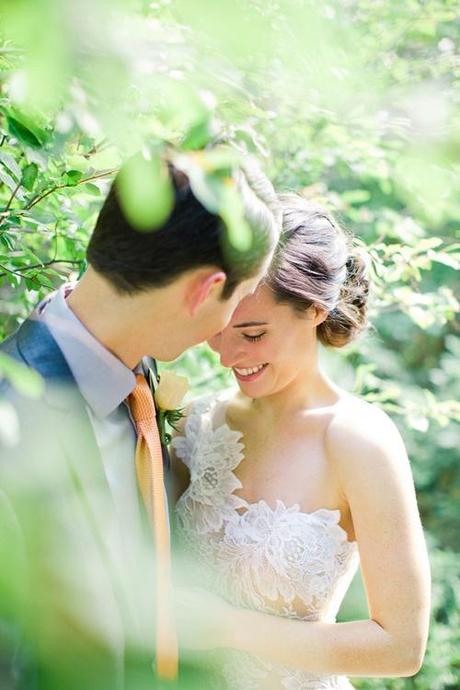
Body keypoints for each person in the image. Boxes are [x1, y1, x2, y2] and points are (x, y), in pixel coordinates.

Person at [0, 152, 281, 690]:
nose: (227, 330)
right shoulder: (11, 426)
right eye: (239, 298)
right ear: (203, 290)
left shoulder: (138, 378)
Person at [171, 193, 431, 690]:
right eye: (217, 329)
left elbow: (401, 646)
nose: (227, 355)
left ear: (314, 309)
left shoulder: (359, 441)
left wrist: (224, 627)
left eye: (250, 334)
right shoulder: (195, 424)